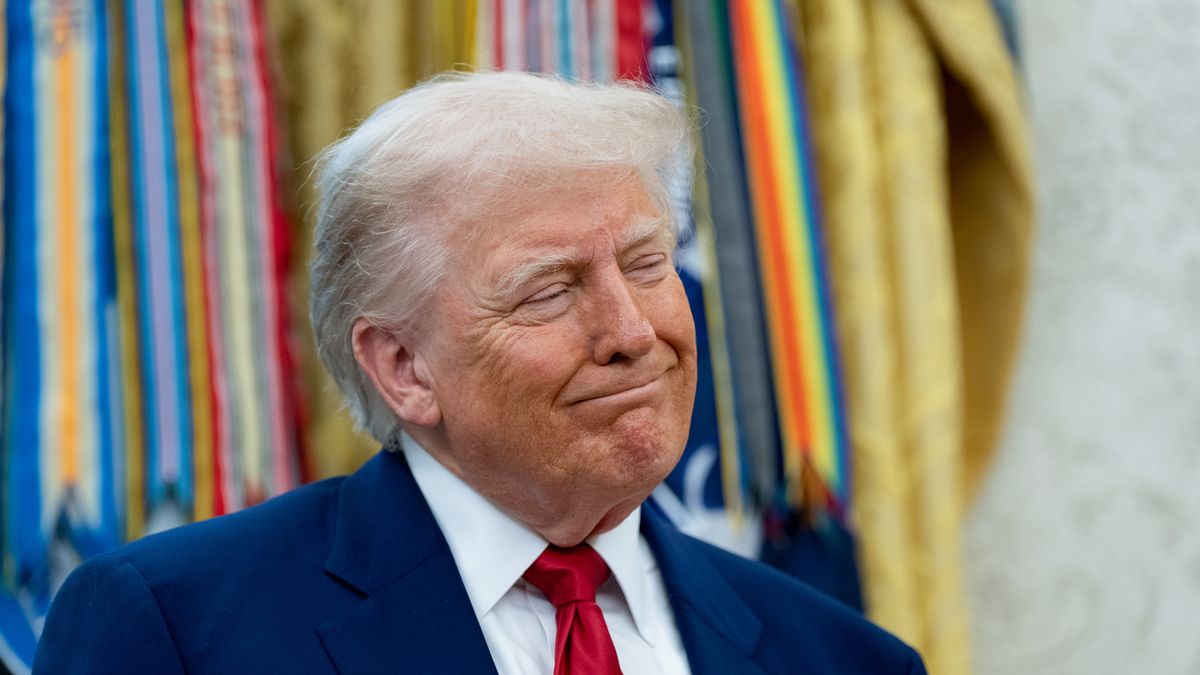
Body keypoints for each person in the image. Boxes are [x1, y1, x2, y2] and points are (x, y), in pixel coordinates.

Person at [34, 71, 926, 675]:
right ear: (403, 366)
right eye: (549, 290)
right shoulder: (174, 629)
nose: (630, 331)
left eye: (649, 264)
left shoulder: (842, 655)